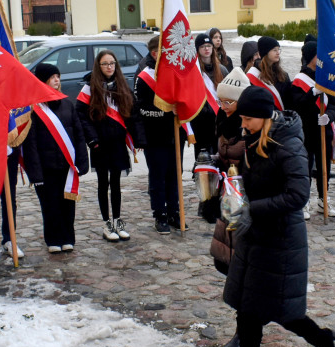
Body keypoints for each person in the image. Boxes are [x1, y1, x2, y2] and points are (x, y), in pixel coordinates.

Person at [221, 86, 335, 347]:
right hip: (256, 235)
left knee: (287, 312)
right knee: (247, 307)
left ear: (264, 117)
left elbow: (298, 195)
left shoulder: (288, 145)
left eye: (248, 118)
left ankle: (324, 342)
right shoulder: (253, 140)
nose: (243, 124)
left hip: (281, 240)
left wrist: (252, 209)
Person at [77, 49, 143, 241]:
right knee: (102, 184)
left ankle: (118, 220)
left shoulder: (122, 86)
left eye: (112, 63)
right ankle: (106, 223)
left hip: (117, 144)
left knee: (116, 183)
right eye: (105, 64)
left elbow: (133, 114)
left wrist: (138, 139)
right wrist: (92, 139)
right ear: (99, 66)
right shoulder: (89, 88)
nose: (109, 67)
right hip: (100, 144)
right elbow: (81, 115)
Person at [22, 63, 89, 252]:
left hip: (66, 166)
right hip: (46, 167)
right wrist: (35, 173)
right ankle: (53, 239)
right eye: (52, 77)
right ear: (43, 81)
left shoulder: (68, 104)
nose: (57, 80)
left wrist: (82, 161)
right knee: (50, 205)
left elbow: (78, 134)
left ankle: (68, 237)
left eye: (58, 76)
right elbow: (31, 144)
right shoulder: (34, 109)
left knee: (68, 203)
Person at [212, 67, 250, 347]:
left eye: (228, 102)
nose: (223, 106)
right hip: (228, 198)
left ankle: (245, 329)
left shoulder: (249, 125)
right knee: (227, 264)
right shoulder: (221, 119)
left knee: (243, 268)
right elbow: (224, 154)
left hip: (246, 203)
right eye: (220, 101)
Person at [291, 40, 335, 218]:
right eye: (318, 54)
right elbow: (296, 106)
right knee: (305, 168)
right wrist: (311, 94)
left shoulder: (327, 77)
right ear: (310, 57)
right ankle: (304, 201)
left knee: (324, 167)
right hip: (306, 131)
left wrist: (329, 116)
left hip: (324, 130)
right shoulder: (299, 81)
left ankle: (324, 199)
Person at [134, 40, 182, 234]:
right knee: (158, 178)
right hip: (154, 137)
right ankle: (160, 215)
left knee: (174, 177)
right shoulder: (144, 77)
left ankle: (174, 212)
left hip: (173, 135)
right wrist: (166, 112)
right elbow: (142, 110)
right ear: (155, 54)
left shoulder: (170, 72)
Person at [190, 34, 224, 158]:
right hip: (200, 120)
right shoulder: (193, 71)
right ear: (197, 49)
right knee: (202, 155)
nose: (206, 49)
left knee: (218, 152)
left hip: (218, 118)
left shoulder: (221, 70)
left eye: (209, 46)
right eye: (203, 46)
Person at [247, 37, 292, 111]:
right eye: (274, 50)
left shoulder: (283, 75)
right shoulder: (254, 75)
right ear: (265, 52)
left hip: (281, 119)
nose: (278, 52)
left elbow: (289, 101)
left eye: (278, 49)